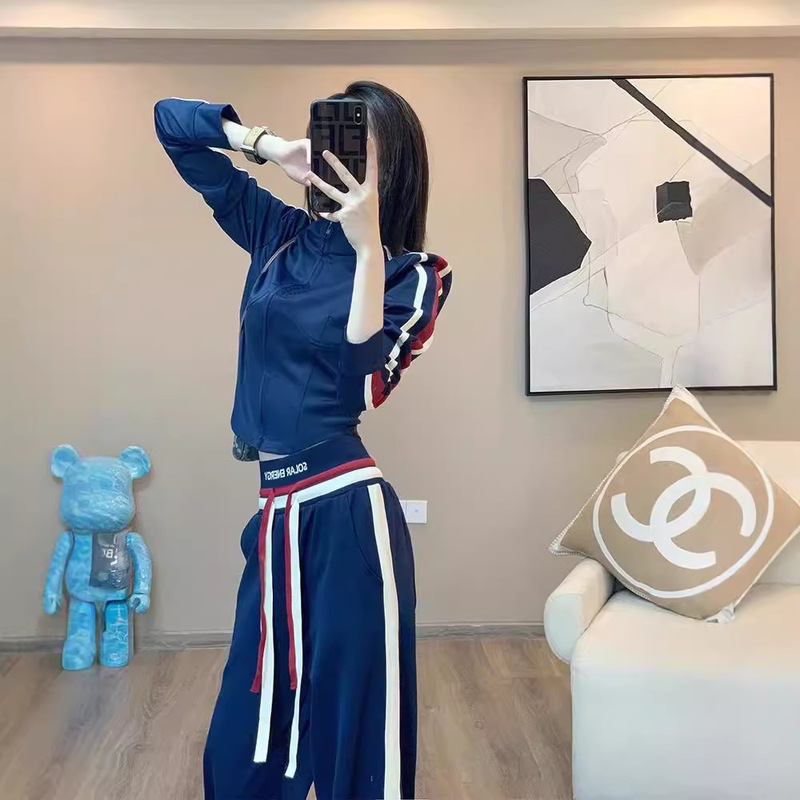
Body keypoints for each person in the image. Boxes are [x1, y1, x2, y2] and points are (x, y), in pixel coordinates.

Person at [154, 81, 451, 800]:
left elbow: (363, 379)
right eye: (331, 142)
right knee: (245, 739)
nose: (337, 162)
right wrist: (265, 145)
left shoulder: (414, 277)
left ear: (394, 168)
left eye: (360, 152)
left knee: (360, 739)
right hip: (276, 515)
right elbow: (171, 125)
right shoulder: (276, 233)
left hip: (347, 515)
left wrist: (369, 248)